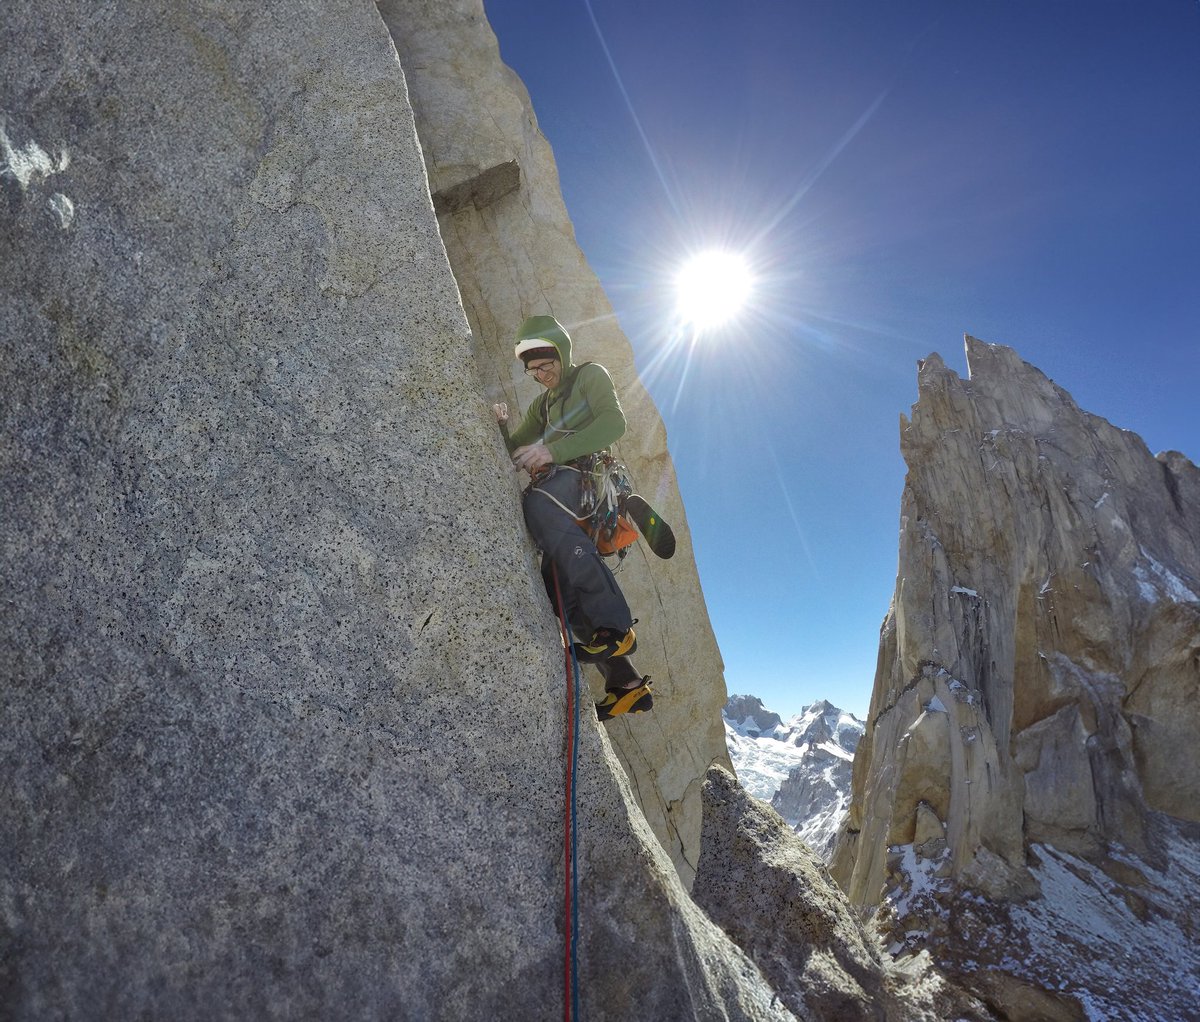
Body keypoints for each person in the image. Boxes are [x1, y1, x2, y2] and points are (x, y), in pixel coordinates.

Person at [492, 315, 653, 720]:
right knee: (555, 588)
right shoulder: (543, 405)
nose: (541, 375)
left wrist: (551, 452)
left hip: (584, 478)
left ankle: (614, 627)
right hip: (569, 494)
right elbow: (514, 446)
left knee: (537, 505)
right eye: (532, 371)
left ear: (561, 355)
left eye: (546, 365)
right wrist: (499, 425)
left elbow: (614, 421)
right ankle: (626, 684)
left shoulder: (589, 377)